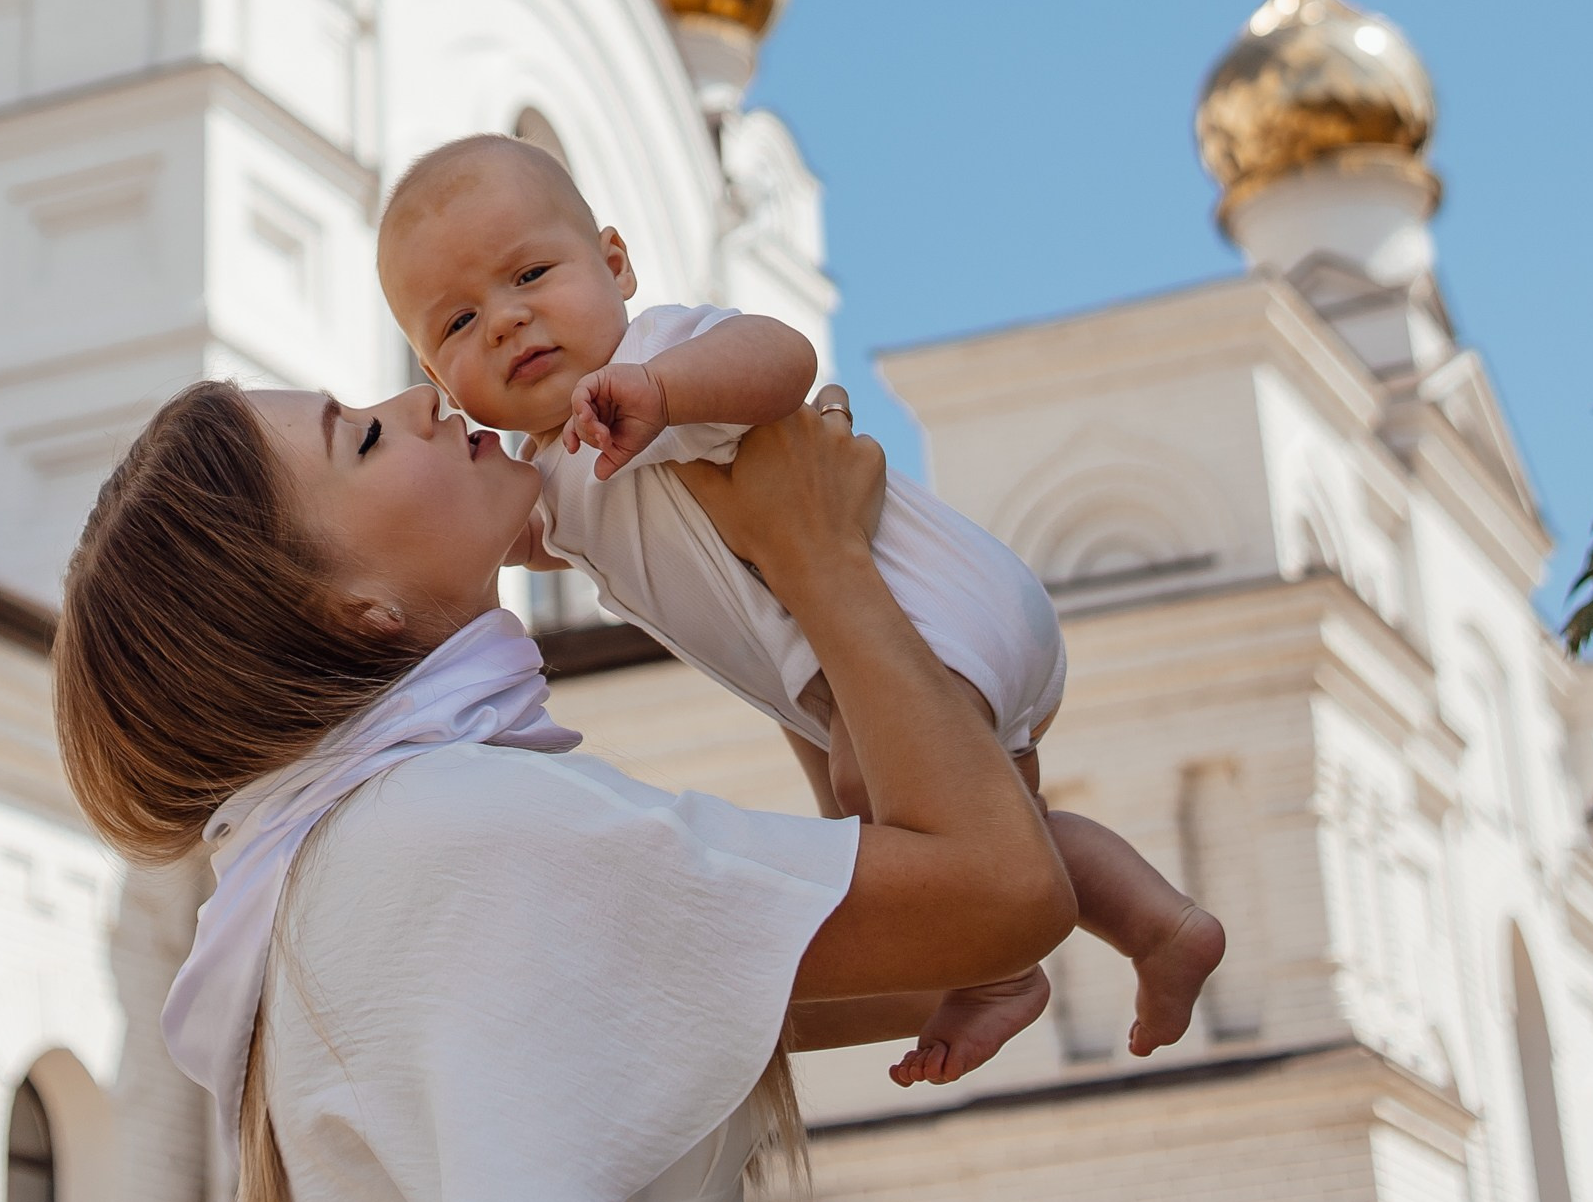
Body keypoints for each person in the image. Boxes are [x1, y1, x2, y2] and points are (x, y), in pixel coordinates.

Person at [55, 378, 1074, 1202]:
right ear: (352, 606)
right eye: (362, 439)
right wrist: (813, 562)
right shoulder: (449, 833)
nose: (419, 396)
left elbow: (934, 952)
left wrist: (749, 578)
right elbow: (1002, 897)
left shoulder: (369, 859)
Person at [377, 130, 1224, 1078]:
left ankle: (1003, 972)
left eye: (531, 274)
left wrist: (665, 389)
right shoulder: (552, 479)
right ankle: (1156, 928)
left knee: (901, 829)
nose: (505, 320)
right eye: (458, 323)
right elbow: (518, 537)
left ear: (615, 265)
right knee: (976, 838)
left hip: (926, 610)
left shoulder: (658, 354)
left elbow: (784, 357)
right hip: (879, 655)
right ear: (438, 380)